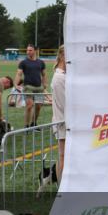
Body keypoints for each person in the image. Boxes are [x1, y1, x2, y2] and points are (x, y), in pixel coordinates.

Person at [16, 44, 46, 127]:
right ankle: (26, 126)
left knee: (38, 106)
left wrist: (44, 84)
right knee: (29, 105)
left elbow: (44, 74)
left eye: (30, 50)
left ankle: (34, 123)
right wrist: (15, 84)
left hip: (39, 87)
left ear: (35, 51)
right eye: (27, 50)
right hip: (28, 87)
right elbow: (19, 74)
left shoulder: (41, 62)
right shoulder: (23, 62)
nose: (28, 52)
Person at [50, 45, 66, 181]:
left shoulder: (62, 76)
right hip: (63, 122)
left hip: (64, 121)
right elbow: (64, 104)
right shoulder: (59, 78)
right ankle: (62, 188)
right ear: (62, 56)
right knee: (63, 156)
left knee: (64, 155)